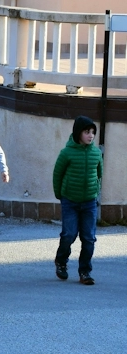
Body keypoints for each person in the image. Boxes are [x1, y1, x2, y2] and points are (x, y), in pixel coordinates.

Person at [52, 116, 102, 285]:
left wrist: (95, 190)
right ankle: (61, 262)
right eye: (87, 132)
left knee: (89, 238)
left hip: (89, 202)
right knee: (69, 234)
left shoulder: (96, 153)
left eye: (93, 132)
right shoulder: (67, 153)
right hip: (70, 201)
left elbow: (99, 174)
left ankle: (85, 271)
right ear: (78, 133)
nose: (91, 135)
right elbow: (57, 174)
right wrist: (60, 195)